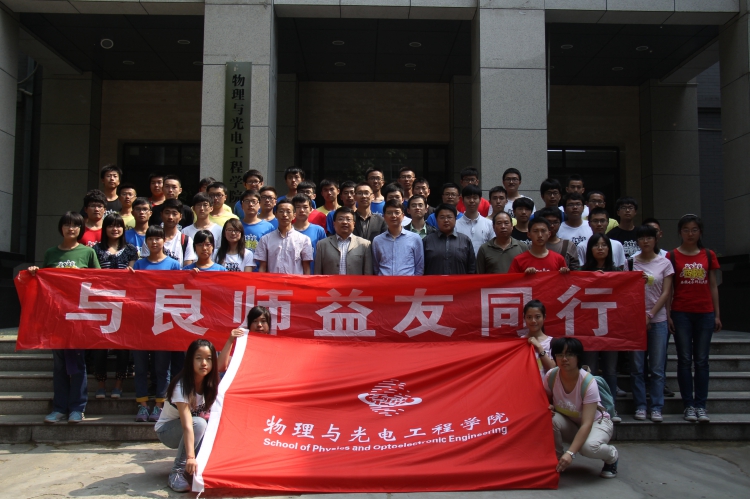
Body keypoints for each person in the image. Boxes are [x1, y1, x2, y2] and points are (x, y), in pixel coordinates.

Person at [28, 212, 100, 424]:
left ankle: (77, 407)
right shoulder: (51, 253)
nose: (71, 229)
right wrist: (35, 273)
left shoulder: (88, 252)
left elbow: (99, 280)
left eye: (75, 225)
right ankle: (59, 408)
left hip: (78, 316)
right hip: (56, 317)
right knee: (59, 364)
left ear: (81, 229)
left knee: (77, 362)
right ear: (61, 228)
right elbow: (44, 283)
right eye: (67, 225)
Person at [668, 214, 721, 423]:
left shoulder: (708, 254)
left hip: (705, 313)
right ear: (680, 232)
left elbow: (713, 286)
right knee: (684, 360)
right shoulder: (672, 256)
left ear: (700, 232)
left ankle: (701, 405)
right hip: (681, 312)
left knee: (702, 360)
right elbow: (669, 288)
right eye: (686, 230)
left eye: (694, 230)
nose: (690, 234)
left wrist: (717, 314)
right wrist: (668, 314)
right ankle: (688, 405)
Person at [545, 337, 619, 479]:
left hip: (596, 423)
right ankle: (556, 460)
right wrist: (549, 405)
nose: (564, 359)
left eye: (569, 354)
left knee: (588, 448)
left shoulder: (588, 382)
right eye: (560, 355)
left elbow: (587, 423)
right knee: (549, 417)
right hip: (571, 423)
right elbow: (545, 398)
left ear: (578, 357)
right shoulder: (551, 376)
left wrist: (571, 453)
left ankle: (612, 455)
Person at [155, 339, 220, 492]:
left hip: (192, 428)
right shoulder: (181, 385)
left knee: (210, 425)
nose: (204, 363)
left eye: (208, 358)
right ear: (190, 360)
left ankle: (194, 470)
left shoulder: (210, 384)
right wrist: (190, 457)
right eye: (198, 358)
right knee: (199, 423)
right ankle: (176, 473)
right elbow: (187, 426)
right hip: (167, 431)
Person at [133, 226, 183, 423]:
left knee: (162, 367)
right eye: (150, 239)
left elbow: (180, 291)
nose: (154, 242)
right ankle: (143, 404)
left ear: (164, 241)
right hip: (141, 322)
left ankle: (160, 404)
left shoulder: (173, 264)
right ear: (146, 242)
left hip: (164, 321)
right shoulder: (139, 264)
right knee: (140, 366)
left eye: (158, 238)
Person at [630, 225, 674, 423]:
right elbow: (627, 293)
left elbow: (666, 293)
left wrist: (650, 315)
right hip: (635, 321)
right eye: (641, 238)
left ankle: (656, 407)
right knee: (637, 367)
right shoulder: (630, 262)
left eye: (649, 237)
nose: (645, 241)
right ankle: (640, 405)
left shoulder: (665, 263)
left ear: (656, 239)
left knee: (656, 367)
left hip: (658, 320)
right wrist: (640, 316)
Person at [92, 214, 138, 399]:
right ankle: (101, 384)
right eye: (110, 226)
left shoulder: (131, 250)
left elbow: (132, 275)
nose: (115, 229)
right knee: (99, 346)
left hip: (123, 304)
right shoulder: (96, 249)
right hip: (100, 304)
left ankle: (119, 384)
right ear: (105, 229)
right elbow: (92, 275)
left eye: (118, 226)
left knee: (122, 346)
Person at [580, 233, 622, 423]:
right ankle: (594, 409)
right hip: (588, 329)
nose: (600, 248)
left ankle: (611, 408)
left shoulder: (617, 272)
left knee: (610, 370)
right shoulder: (582, 272)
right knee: (591, 371)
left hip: (611, 328)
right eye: (596, 245)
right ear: (590, 249)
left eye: (604, 245)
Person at [255, 199, 313, 274]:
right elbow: (262, 267)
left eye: (288, 212)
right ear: (275, 214)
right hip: (273, 281)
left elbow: (306, 268)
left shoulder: (304, 239)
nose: (284, 215)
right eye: (281, 211)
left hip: (295, 281)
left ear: (294, 215)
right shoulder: (265, 239)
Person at [314, 207, 373, 275]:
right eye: (340, 219)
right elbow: (317, 273)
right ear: (334, 224)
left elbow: (368, 273)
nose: (344, 222)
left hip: (355, 282)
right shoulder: (322, 244)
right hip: (331, 282)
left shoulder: (364, 244)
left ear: (354, 224)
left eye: (348, 219)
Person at [372, 199, 424, 276]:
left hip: (407, 282)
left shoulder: (415, 238)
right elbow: (376, 267)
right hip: (384, 282)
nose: (393, 216)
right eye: (389, 213)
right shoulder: (377, 240)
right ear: (384, 216)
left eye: (397, 212)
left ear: (403, 216)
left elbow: (419, 267)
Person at [422, 203, 476, 275]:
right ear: (436, 220)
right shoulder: (427, 241)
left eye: (449, 217)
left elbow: (472, 267)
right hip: (434, 282)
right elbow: (421, 267)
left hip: (459, 282)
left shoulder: (465, 240)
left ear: (455, 219)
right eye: (442, 217)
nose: (446, 220)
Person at [140, 199, 197, 267]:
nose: (170, 217)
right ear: (161, 215)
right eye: (167, 213)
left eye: (174, 213)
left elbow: (187, 268)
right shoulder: (150, 239)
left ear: (180, 217)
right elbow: (144, 266)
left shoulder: (186, 240)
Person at [218, 306, 271, 374]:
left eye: (263, 321)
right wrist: (230, 340)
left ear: (268, 325)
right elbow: (220, 367)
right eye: (255, 321)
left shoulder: (275, 346)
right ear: (249, 325)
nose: (259, 325)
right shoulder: (241, 343)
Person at [455, 185, 493, 256]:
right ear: (462, 200)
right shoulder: (455, 225)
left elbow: (493, 248)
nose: (472, 201)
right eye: (468, 197)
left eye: (475, 198)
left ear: (480, 200)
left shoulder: (489, 224)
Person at [292, 193, 327, 273]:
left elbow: (324, 255)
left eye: (305, 207)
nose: (301, 210)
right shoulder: (288, 231)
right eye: (298, 207)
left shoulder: (319, 230)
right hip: (292, 275)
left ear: (311, 209)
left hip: (314, 274)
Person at [523, 300, 555, 379]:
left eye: (537, 317)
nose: (533, 321)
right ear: (524, 318)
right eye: (529, 317)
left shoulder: (551, 342)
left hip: (545, 386)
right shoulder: (519, 343)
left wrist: (539, 347)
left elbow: (552, 369)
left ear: (544, 317)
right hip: (524, 384)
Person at [238, 190, 275, 255]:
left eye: (253, 201)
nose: (250, 204)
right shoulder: (236, 226)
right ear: (242, 206)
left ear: (259, 205)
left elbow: (272, 251)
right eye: (247, 201)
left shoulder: (268, 227)